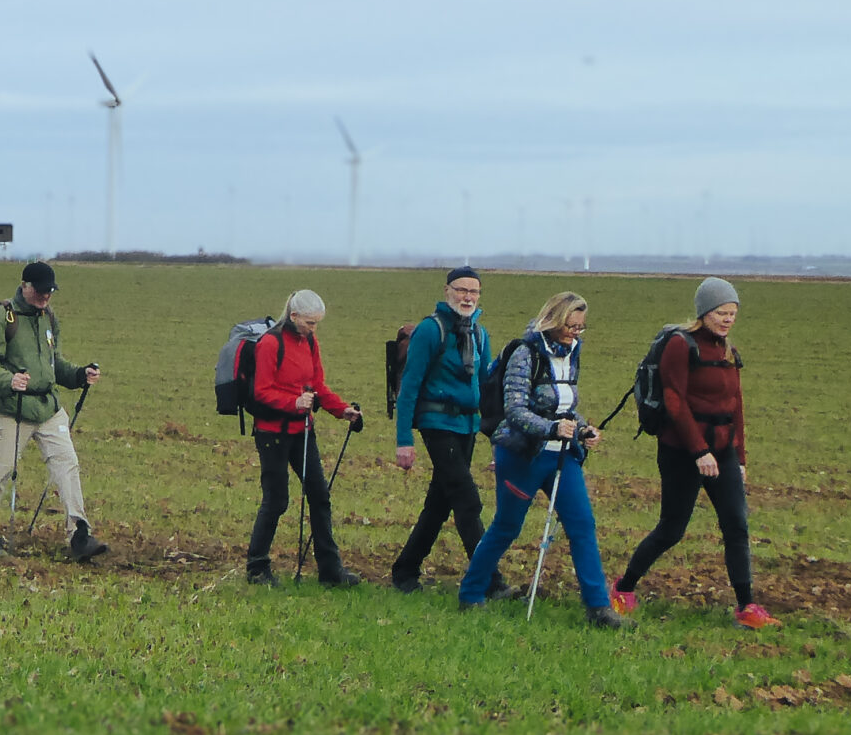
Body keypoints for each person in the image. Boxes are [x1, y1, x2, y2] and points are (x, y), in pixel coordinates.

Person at [612, 278, 774, 629]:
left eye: (733, 313)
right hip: (681, 452)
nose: (728, 319)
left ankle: (747, 607)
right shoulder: (679, 345)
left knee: (736, 526)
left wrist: (740, 457)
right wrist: (699, 450)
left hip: (723, 451)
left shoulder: (728, 351)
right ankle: (623, 588)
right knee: (672, 529)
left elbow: (736, 406)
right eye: (721, 313)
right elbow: (673, 399)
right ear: (704, 312)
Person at [458, 293, 626, 627]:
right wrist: (552, 428)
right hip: (521, 455)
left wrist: (581, 429)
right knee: (507, 527)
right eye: (570, 325)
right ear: (554, 319)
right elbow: (515, 410)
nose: (575, 333)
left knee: (582, 526)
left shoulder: (574, 352)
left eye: (580, 328)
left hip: (561, 457)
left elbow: (566, 405)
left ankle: (599, 608)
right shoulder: (526, 353)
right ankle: (471, 593)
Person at [0, 261, 106, 561]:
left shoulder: (48, 319)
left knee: (67, 465)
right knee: (1, 469)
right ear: (25, 286)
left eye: (50, 292)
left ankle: (79, 534)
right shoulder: (2, 316)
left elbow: (54, 365)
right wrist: (10, 380)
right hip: (10, 408)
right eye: (41, 291)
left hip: (47, 408)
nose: (46, 297)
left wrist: (80, 374)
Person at [239, 290, 364, 586]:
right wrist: (293, 403)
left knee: (320, 497)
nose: (313, 329)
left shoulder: (310, 341)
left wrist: (341, 409)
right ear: (293, 316)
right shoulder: (271, 343)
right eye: (309, 323)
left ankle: (330, 571)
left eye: (317, 323)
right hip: (272, 434)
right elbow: (261, 391)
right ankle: (257, 568)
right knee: (277, 500)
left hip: (303, 431)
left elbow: (317, 384)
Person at [388, 265, 493, 592]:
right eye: (461, 290)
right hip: (437, 424)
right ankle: (488, 580)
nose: (467, 297)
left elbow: (487, 388)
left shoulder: (479, 333)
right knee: (467, 500)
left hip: (468, 425)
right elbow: (410, 387)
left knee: (438, 504)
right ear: (447, 292)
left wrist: (498, 441)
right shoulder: (431, 331)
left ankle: (405, 571)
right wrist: (404, 440)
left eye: (473, 291)